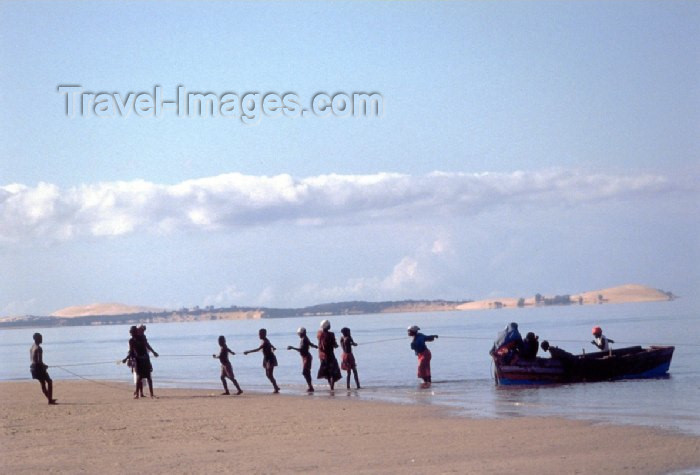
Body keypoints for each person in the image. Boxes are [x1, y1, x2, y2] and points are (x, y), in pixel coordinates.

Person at [124, 325, 159, 399]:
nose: (131, 333)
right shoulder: (131, 340)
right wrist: (126, 358)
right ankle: (137, 394)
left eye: (132, 332)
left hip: (145, 358)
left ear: (135, 332)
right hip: (138, 360)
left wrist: (154, 352)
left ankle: (151, 394)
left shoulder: (142, 337)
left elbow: (147, 345)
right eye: (131, 332)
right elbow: (131, 351)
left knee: (148, 377)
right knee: (139, 378)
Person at [244, 329, 280, 393]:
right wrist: (273, 347)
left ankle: (276, 388)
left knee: (270, 374)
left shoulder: (265, 342)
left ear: (264, 334)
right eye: (259, 334)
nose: (259, 335)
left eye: (260, 334)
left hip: (270, 359)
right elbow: (271, 345)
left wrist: (248, 351)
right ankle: (276, 386)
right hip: (266, 359)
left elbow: (258, 349)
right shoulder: (264, 340)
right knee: (268, 375)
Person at [287, 327, 318, 393]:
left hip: (306, 357)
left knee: (305, 372)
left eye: (299, 334)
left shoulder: (304, 339)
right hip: (305, 357)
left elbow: (301, 349)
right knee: (307, 372)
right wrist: (314, 346)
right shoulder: (305, 338)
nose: (298, 335)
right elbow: (310, 343)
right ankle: (310, 386)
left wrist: (292, 348)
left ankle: (310, 387)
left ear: (302, 333)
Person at [30, 333, 57, 405]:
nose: (42, 339)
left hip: (33, 368)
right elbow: (39, 361)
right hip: (38, 368)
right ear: (36, 339)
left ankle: (49, 399)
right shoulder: (39, 348)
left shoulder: (32, 347)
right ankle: (50, 400)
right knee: (49, 381)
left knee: (43, 383)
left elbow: (33, 360)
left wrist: (43, 365)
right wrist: (44, 366)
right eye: (40, 338)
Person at [316, 320, 342, 391]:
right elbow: (334, 345)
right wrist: (336, 345)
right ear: (328, 326)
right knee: (333, 372)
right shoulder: (331, 334)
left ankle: (331, 386)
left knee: (327, 372)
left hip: (323, 356)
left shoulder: (319, 334)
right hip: (330, 355)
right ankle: (332, 387)